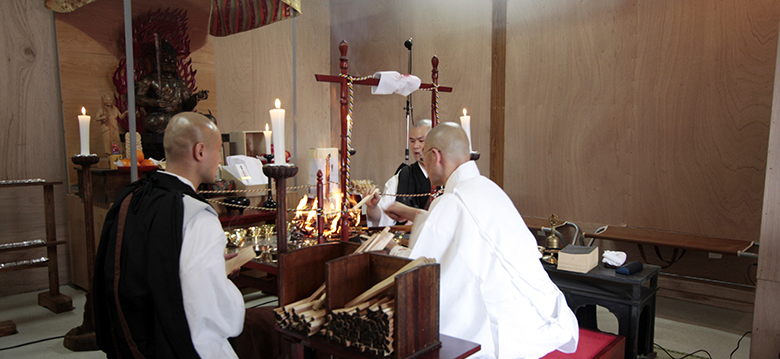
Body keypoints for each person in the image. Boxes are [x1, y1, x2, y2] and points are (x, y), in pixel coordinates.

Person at [384, 122, 579, 359]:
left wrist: (392, 248)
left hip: (507, 336)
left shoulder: (451, 202)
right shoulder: (489, 188)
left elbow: (423, 271)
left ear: (435, 156)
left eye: (424, 156)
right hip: (541, 314)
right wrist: (413, 213)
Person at [93, 112, 245, 358]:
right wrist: (220, 279)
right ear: (200, 151)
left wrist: (212, 266)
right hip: (175, 346)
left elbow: (143, 268)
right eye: (218, 150)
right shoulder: (198, 216)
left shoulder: (131, 196)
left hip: (129, 344)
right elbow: (214, 312)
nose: (220, 160)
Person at [363, 119, 432, 227]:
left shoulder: (445, 177)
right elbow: (381, 219)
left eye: (421, 140)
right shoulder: (402, 177)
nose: (415, 146)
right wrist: (372, 207)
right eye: (412, 141)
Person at [135, 41, 209, 133]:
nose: (170, 63)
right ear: (156, 62)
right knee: (153, 121)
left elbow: (186, 105)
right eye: (166, 60)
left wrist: (196, 97)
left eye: (172, 61)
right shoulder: (150, 79)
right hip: (162, 116)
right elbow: (137, 98)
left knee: (209, 119)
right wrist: (155, 102)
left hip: (179, 116)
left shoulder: (179, 82)